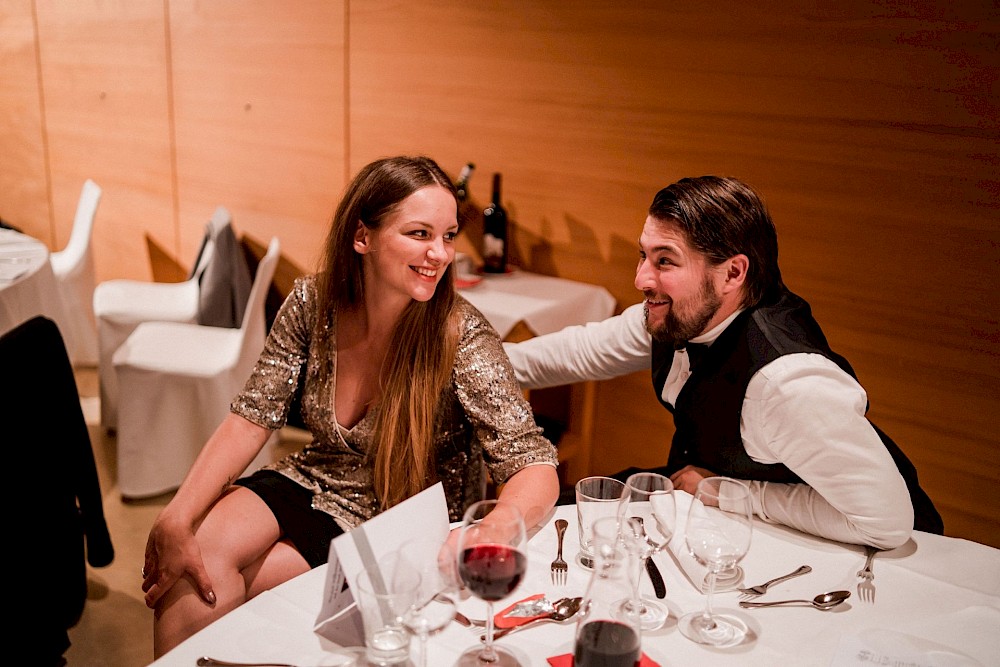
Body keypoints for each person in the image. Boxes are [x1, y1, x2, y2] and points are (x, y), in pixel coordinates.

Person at [141, 156, 560, 657]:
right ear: (362, 237)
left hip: (397, 516)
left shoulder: (460, 334)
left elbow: (534, 464)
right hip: (311, 478)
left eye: (447, 236)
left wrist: (492, 528)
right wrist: (177, 515)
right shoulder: (310, 303)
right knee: (195, 560)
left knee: (225, 589)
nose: (440, 254)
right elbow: (252, 415)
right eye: (420, 233)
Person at [505, 175, 942, 550]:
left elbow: (886, 522)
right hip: (708, 502)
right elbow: (580, 351)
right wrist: (469, 365)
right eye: (644, 255)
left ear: (733, 274)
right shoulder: (683, 313)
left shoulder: (788, 384)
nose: (641, 279)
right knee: (567, 514)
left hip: (845, 544)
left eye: (665, 261)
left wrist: (729, 494)